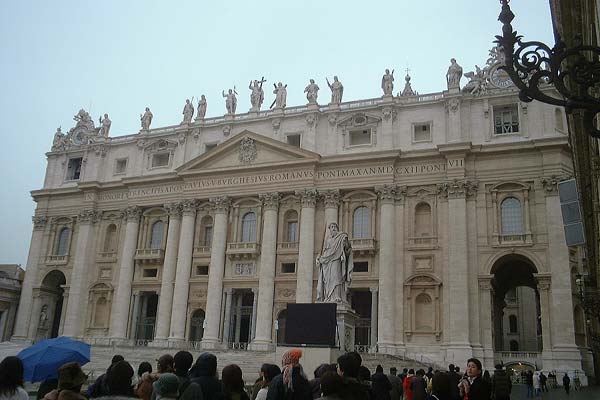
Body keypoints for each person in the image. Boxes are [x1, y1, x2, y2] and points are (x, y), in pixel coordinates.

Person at [316, 222, 352, 303]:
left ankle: (336, 296)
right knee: (327, 280)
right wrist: (319, 258)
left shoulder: (341, 237)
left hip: (336, 260)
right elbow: (323, 251)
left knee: (336, 277)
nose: (333, 228)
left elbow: (347, 246)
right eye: (331, 227)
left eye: (335, 227)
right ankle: (328, 297)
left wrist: (346, 242)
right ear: (329, 230)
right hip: (327, 262)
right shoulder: (327, 240)